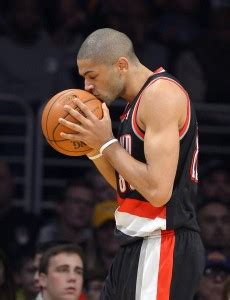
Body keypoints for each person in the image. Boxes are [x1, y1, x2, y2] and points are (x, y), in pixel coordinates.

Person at [58, 28, 205, 300]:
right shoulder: (134, 104)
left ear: (121, 65)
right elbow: (128, 184)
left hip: (163, 243)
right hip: (135, 244)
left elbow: (158, 191)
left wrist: (108, 144)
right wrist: (94, 148)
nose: (87, 87)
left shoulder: (160, 95)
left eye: (92, 76)